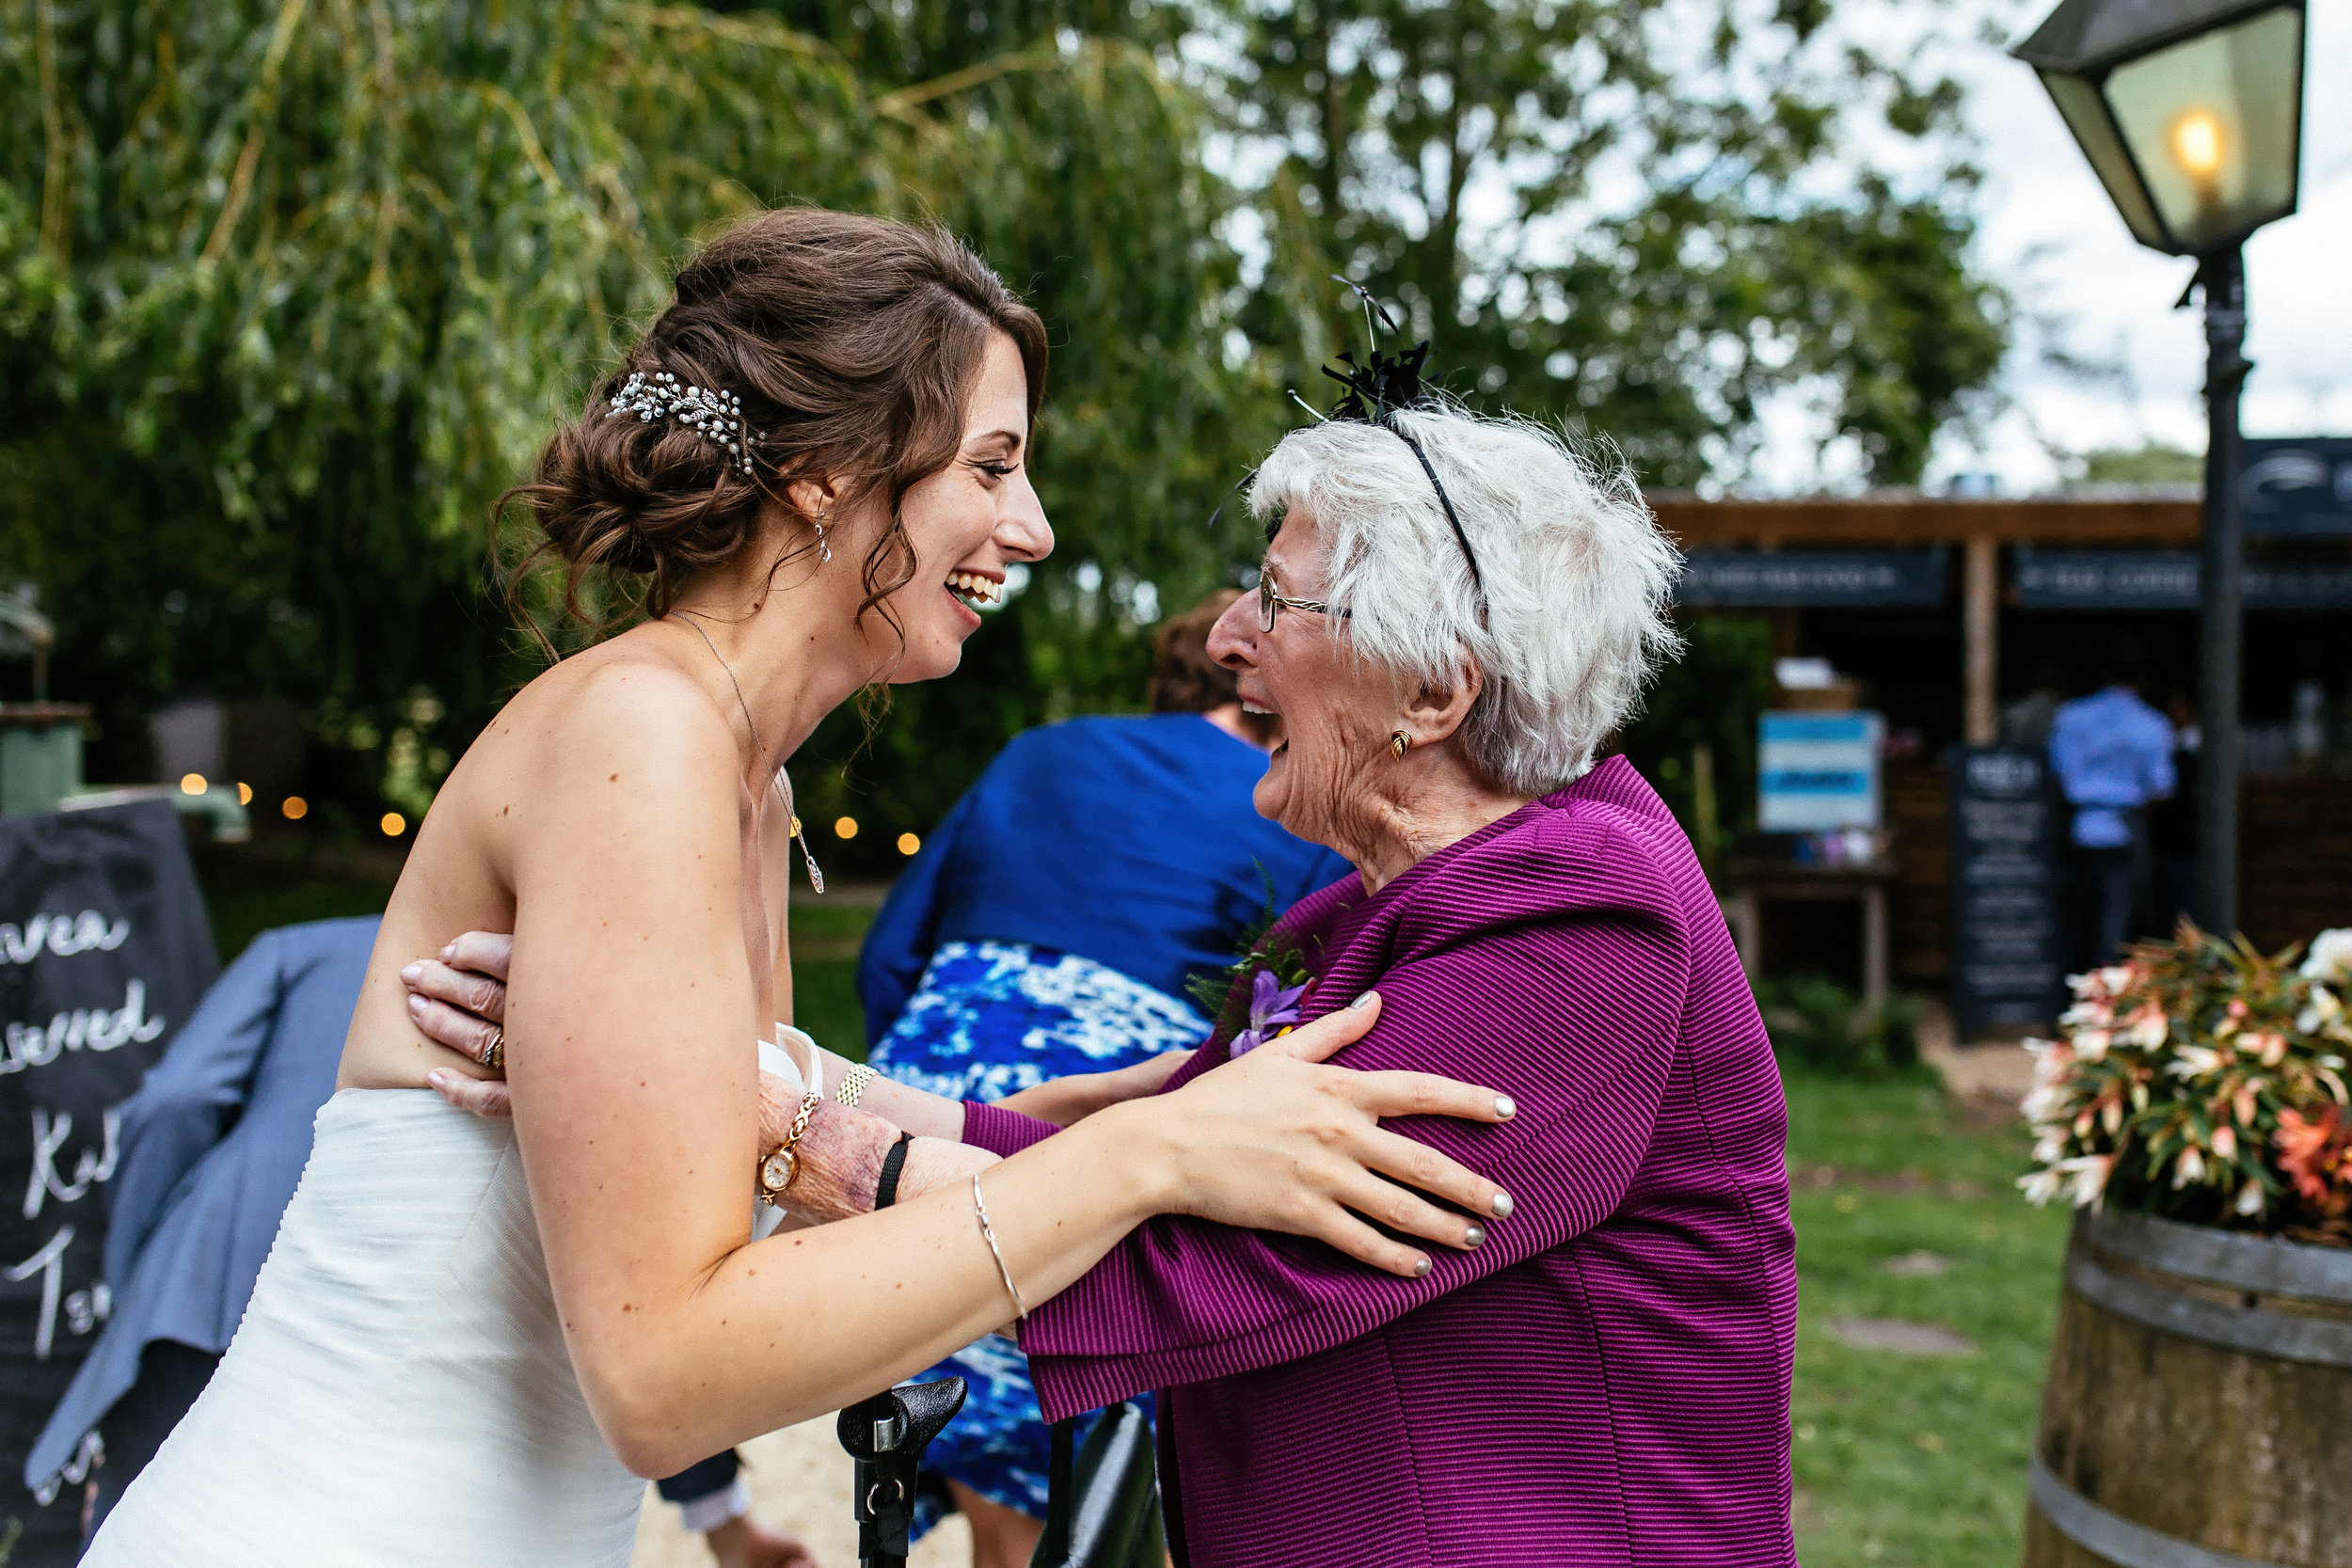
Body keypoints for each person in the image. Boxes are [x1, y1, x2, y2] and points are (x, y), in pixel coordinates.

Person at [82, 209, 1509, 1568]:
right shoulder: (641, 737)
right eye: (993, 468)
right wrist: (1139, 1164)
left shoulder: (742, 785)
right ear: (828, 474)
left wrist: (1148, 1106)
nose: (1036, 530)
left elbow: (766, 1120)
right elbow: (663, 1370)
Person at [415, 377, 1800, 1563]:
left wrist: (774, 1133)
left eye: (1276, 599)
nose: (1229, 641)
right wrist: (669, 1051)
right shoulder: (1389, 907)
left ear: (1433, 691)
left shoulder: (1579, 919)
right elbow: (1129, 1151)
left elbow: (1210, 1237)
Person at [854, 589, 1351, 1563]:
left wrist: (920, 1101)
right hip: (1091, 1126)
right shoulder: (1297, 810)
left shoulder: (1040, 750)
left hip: (921, 1113)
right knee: (1095, 1507)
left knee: (991, 1494)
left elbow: (887, 954)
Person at [2048, 650, 2176, 967]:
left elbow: (2057, 771)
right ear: (2143, 682)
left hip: (2076, 823)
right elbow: (2162, 786)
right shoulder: (2152, 723)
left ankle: (2069, 996)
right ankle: (2104, 1000)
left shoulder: (2071, 715)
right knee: (2119, 921)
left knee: (2072, 915)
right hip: (2125, 825)